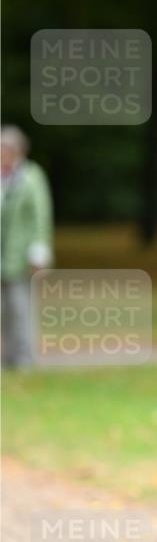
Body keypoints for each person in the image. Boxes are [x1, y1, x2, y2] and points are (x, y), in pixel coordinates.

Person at [1, 125, 54, 369]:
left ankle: (23, 358)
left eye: (6, 149)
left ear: (18, 151)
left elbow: (40, 216)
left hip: (21, 256)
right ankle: (7, 356)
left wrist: (39, 252)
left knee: (20, 308)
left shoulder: (31, 176)